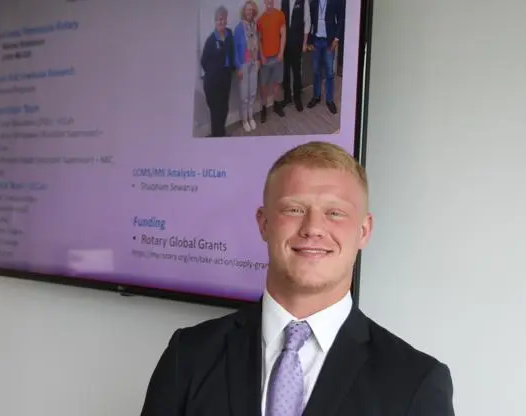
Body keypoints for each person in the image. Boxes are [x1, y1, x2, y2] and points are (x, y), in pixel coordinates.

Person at [141, 141, 456, 416]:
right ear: (263, 224)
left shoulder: (415, 381)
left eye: (335, 213)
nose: (312, 228)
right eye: (293, 209)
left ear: (364, 231)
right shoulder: (189, 354)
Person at [200, 6, 235, 137]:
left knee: (224, 109)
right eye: (218, 20)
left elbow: (231, 53)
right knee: (216, 112)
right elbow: (203, 61)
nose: (221, 22)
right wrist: (213, 73)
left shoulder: (229, 34)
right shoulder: (210, 40)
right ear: (215, 21)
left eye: (223, 19)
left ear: (226, 20)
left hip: (226, 79)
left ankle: (222, 133)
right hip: (213, 82)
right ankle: (217, 137)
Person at [308, 0, 344, 114]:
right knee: (316, 71)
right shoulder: (313, 2)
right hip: (316, 41)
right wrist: (309, 41)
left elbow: (341, 19)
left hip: (329, 41)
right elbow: (309, 22)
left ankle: (329, 100)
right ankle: (316, 96)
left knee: (329, 72)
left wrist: (336, 39)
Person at [257, 0, 287, 123]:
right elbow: (259, 40)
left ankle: (276, 105)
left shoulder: (280, 15)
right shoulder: (260, 20)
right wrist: (262, 55)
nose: (269, 1)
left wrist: (281, 52)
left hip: (277, 56)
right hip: (266, 59)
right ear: (264, 1)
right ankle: (264, 107)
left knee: (276, 83)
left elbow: (283, 34)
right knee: (263, 85)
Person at [234, 1, 262, 132]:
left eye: (251, 10)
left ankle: (251, 118)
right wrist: (238, 67)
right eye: (247, 10)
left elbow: (258, 44)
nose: (249, 12)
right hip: (244, 65)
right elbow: (234, 50)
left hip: (253, 63)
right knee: (244, 97)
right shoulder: (239, 28)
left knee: (252, 94)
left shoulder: (254, 26)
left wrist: (259, 60)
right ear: (244, 12)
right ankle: (244, 120)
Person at [281, 0, 310, 112]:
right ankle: (287, 96)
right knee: (285, 72)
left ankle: (297, 98)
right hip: (285, 43)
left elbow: (307, 21)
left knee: (297, 71)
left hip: (297, 42)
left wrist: (305, 43)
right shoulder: (283, 1)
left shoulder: (304, 1)